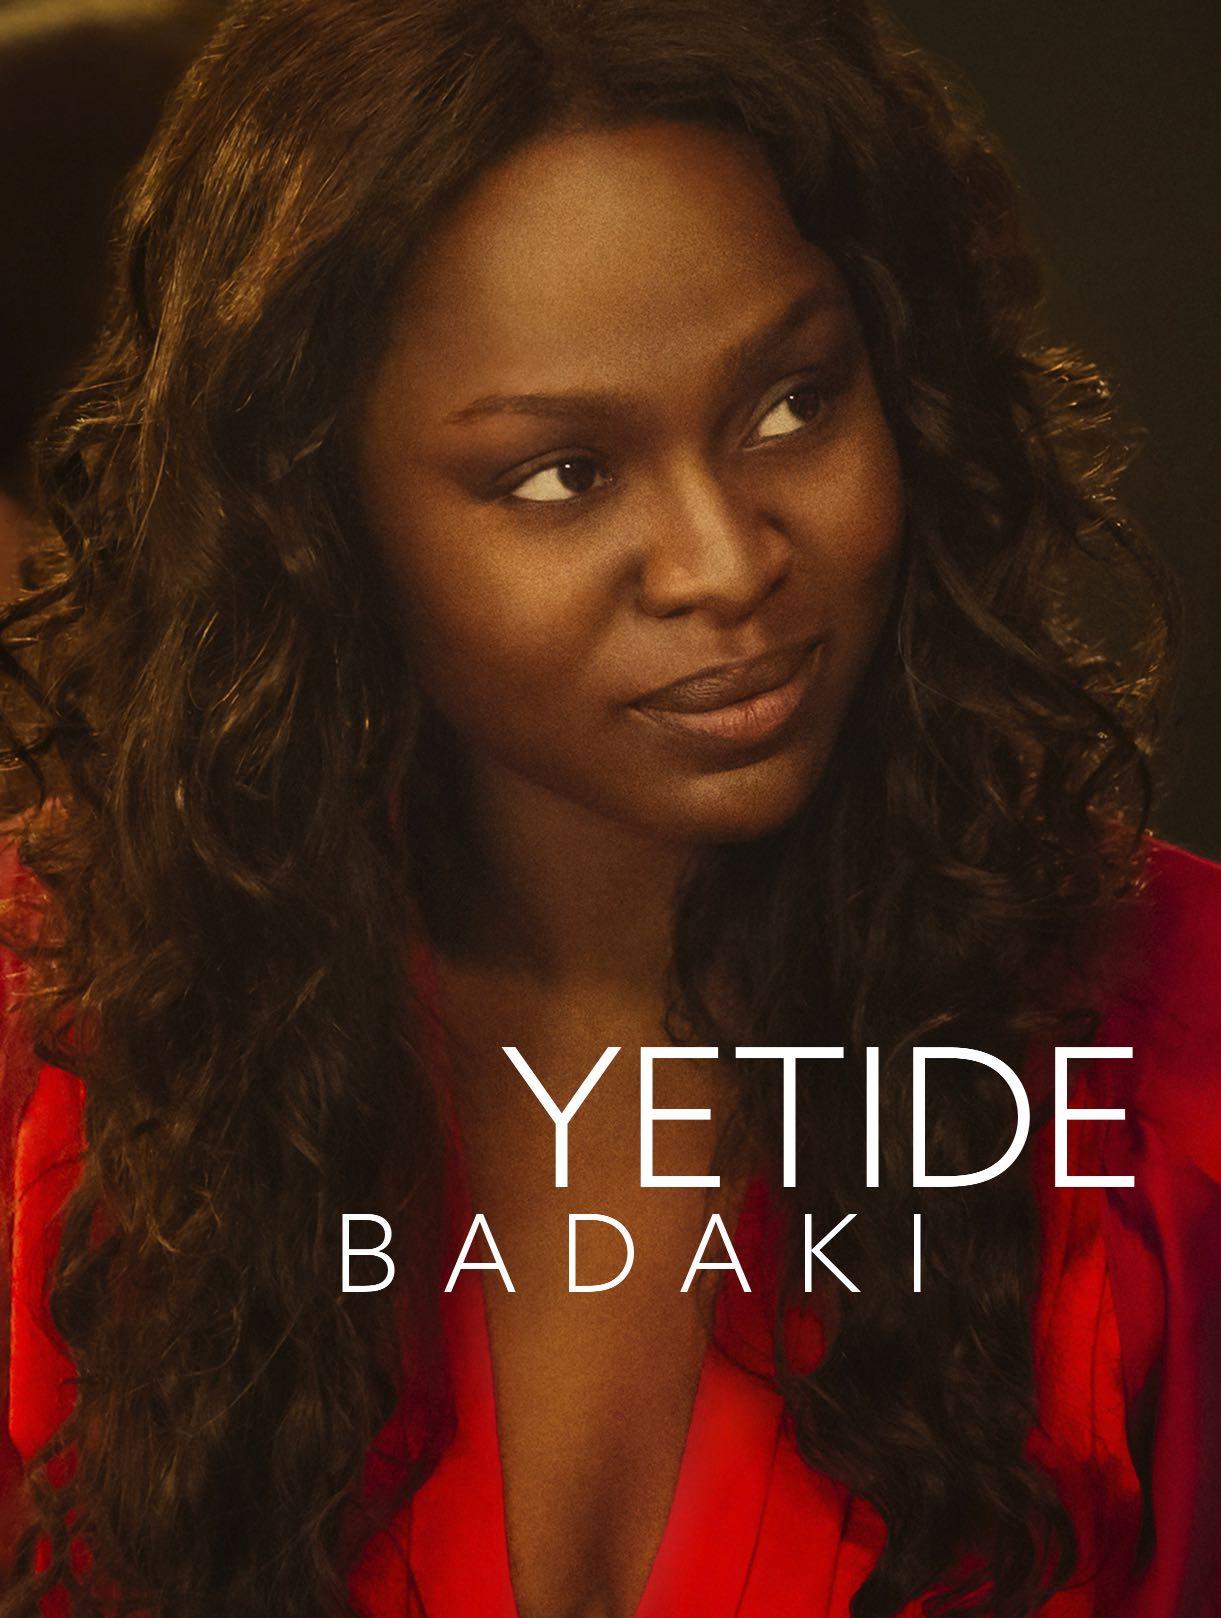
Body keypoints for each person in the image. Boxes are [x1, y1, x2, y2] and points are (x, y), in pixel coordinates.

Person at [0, 1, 1217, 1615]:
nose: (726, 563)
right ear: (318, 516)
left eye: (792, 402)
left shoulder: (1173, 1056)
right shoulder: (60, 1034)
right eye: (561, 474)